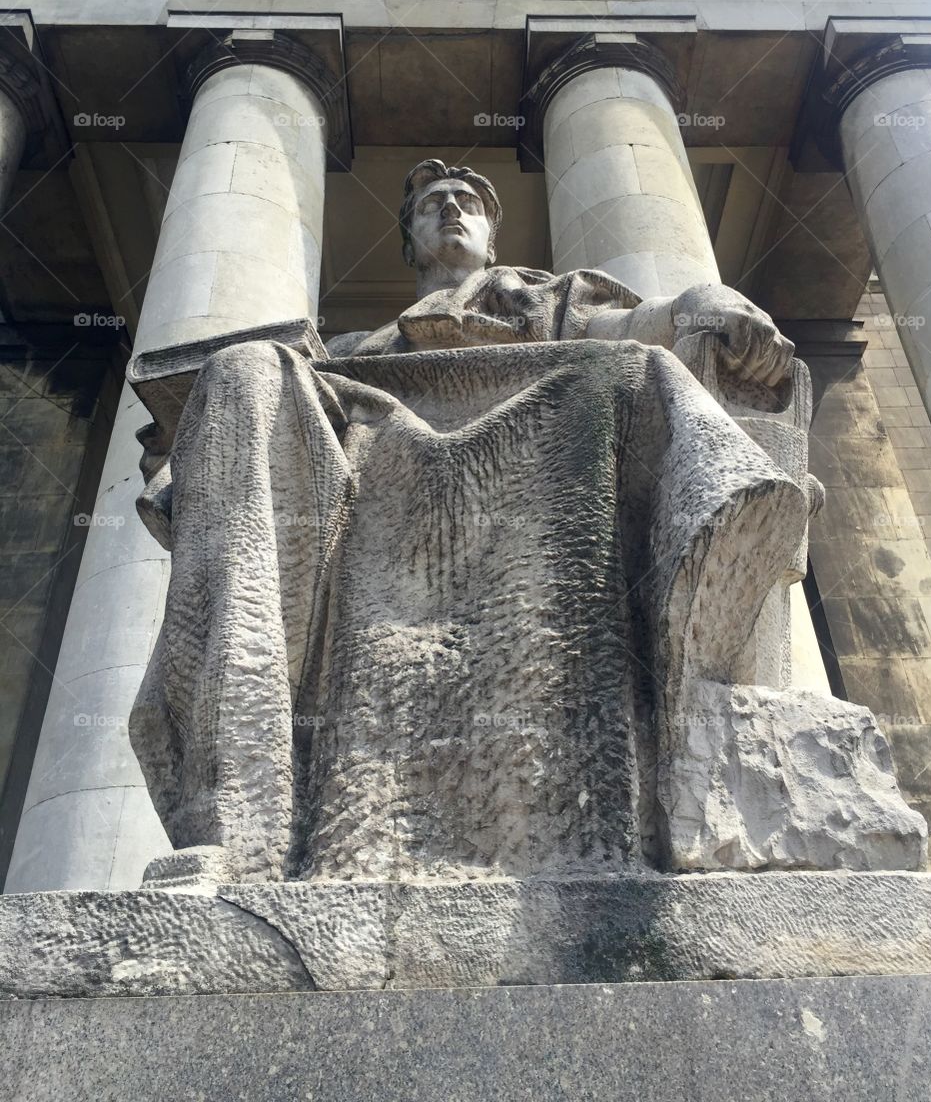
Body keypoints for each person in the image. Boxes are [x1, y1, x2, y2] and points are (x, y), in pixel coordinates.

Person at [130, 160, 806, 888]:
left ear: (490, 235)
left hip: (545, 459)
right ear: (409, 240)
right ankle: (241, 823)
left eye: (468, 202)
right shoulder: (355, 354)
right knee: (243, 368)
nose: (451, 209)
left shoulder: (543, 304)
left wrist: (706, 298)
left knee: (628, 375)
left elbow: (643, 331)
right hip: (373, 480)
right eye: (430, 205)